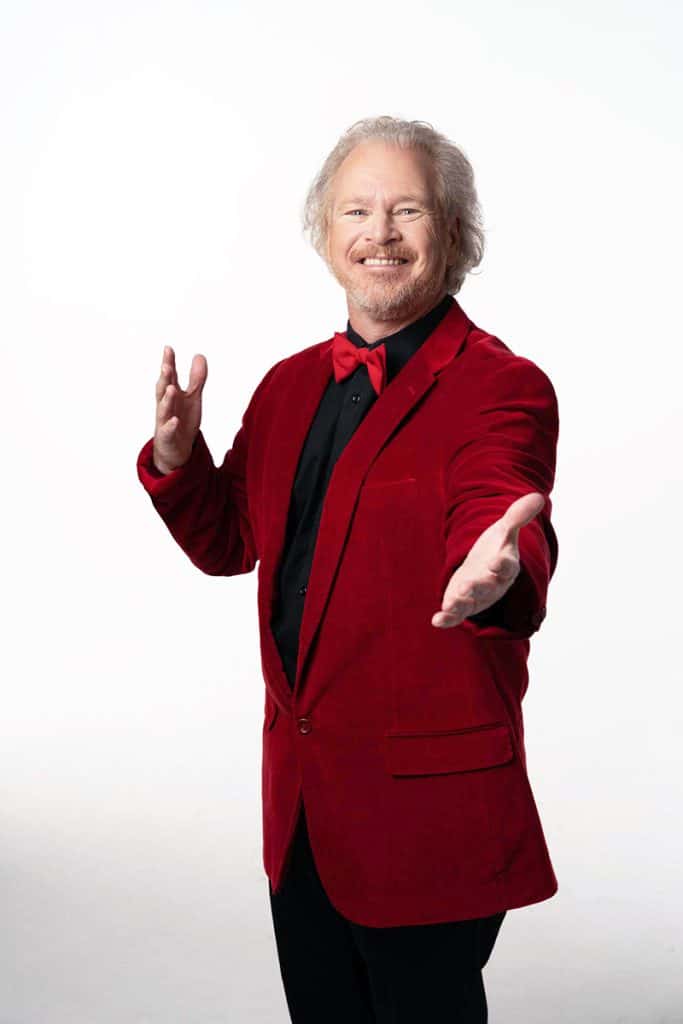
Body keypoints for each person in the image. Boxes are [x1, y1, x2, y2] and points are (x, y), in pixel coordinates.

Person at [136, 115, 560, 1023]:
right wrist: (179, 462)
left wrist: (502, 571)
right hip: (302, 810)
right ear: (325, 234)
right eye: (356, 210)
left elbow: (502, 502)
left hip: (426, 810)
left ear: (452, 233)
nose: (380, 233)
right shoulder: (290, 385)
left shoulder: (501, 385)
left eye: (408, 209)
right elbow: (229, 545)